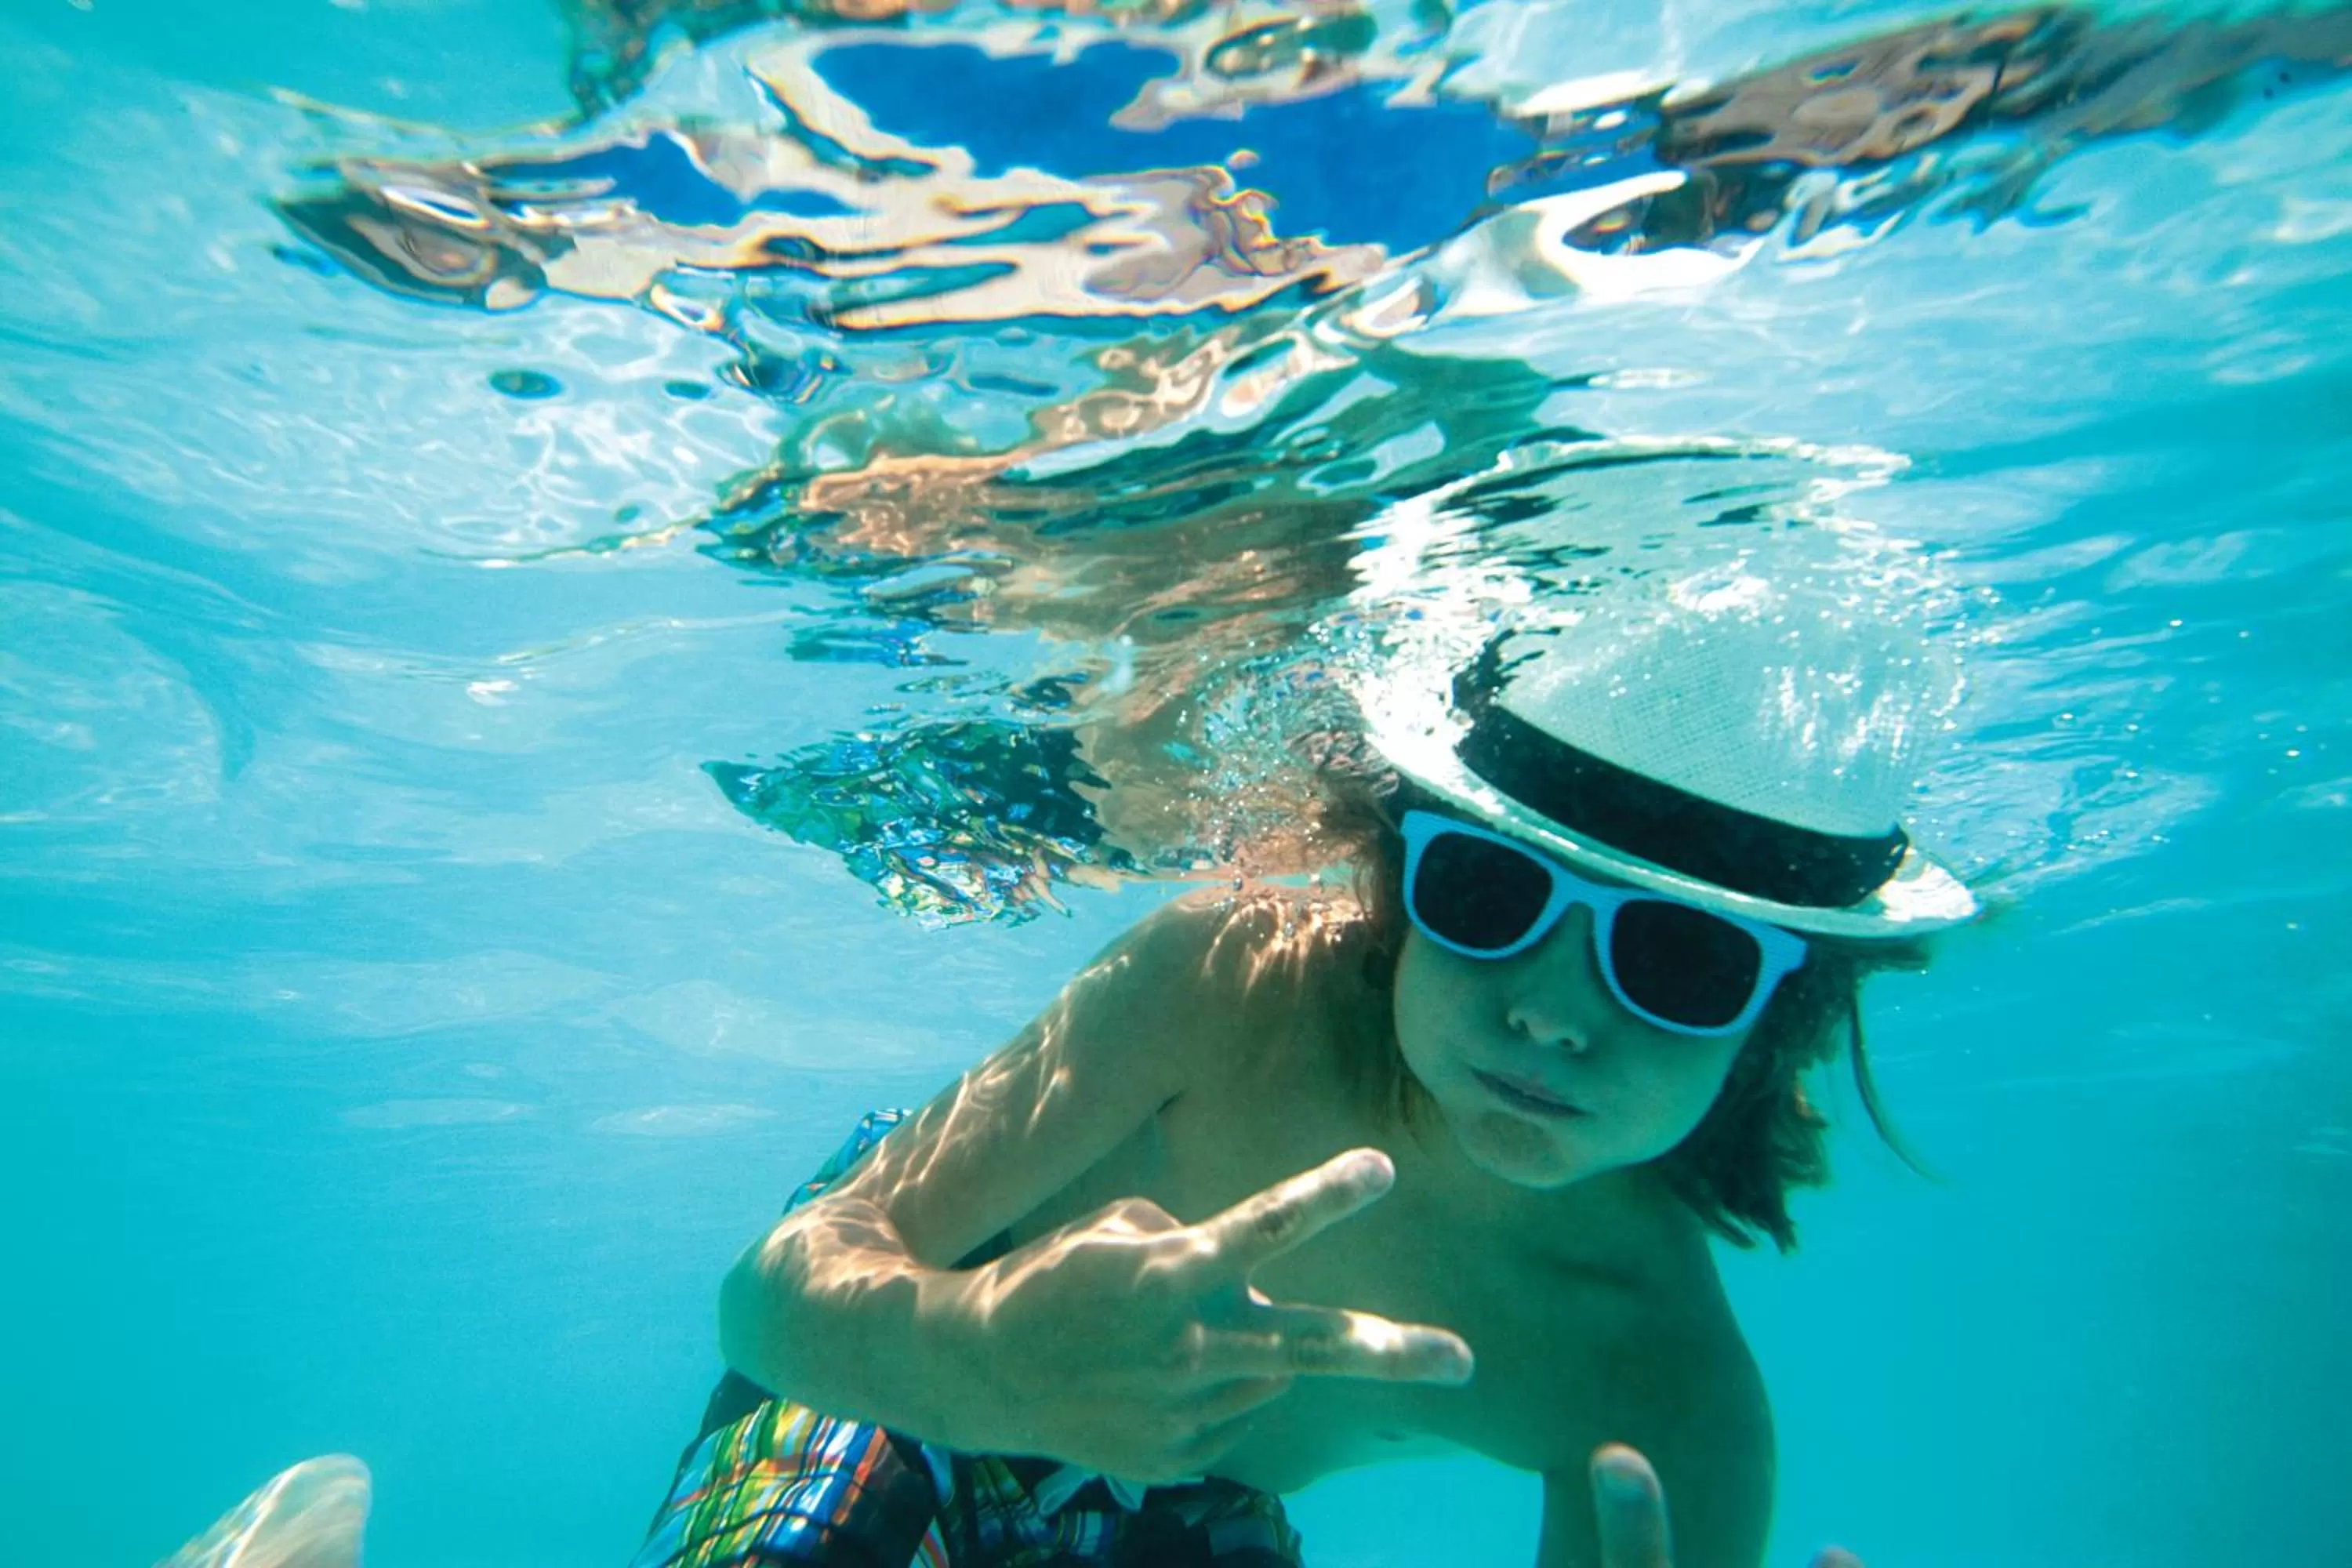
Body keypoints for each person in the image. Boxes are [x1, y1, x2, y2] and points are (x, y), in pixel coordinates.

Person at [632, 585, 1976, 1568]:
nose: (1555, 1015)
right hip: (896, 1350)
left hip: (1187, 1517)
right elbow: (769, 1300)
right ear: (1403, 881)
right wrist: (981, 1361)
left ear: (1778, 1018)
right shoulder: (1239, 980)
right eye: (1493, 889)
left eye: (1682, 958)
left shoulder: (1666, 1396)